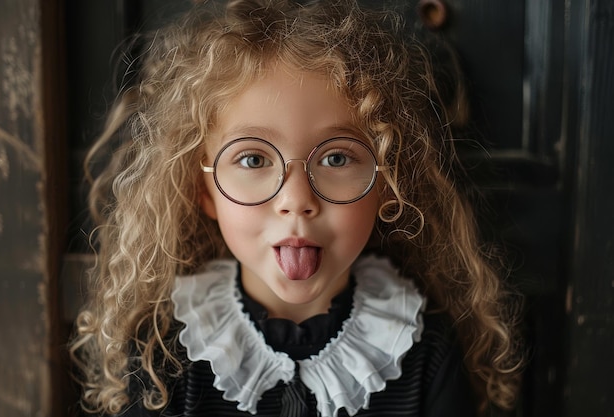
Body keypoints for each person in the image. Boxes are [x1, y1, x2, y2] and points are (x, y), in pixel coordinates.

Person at [69, 0, 524, 416]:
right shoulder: (164, 352)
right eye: (252, 159)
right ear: (202, 191)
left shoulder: (423, 346)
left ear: (388, 184)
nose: (297, 201)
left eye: (336, 158)